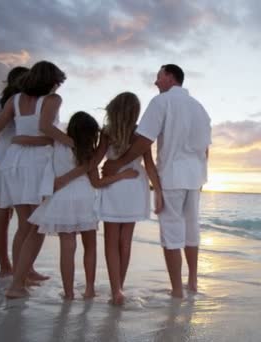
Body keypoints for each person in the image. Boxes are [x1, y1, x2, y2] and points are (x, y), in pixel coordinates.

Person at [103, 65, 211, 299]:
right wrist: (202, 176)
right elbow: (205, 148)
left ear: (170, 78)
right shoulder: (199, 107)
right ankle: (192, 281)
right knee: (191, 230)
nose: (156, 82)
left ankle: (177, 291)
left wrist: (118, 162)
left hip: (172, 175)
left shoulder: (161, 102)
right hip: (195, 177)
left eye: (159, 76)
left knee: (172, 232)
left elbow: (143, 141)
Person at [28, 111, 140, 300]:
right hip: (85, 198)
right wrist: (123, 175)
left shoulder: (57, 145)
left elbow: (43, 136)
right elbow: (96, 183)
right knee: (90, 247)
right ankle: (89, 289)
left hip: (61, 200)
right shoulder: (87, 153)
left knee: (67, 247)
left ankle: (69, 293)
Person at [0, 60, 72, 299]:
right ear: (51, 81)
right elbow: (46, 127)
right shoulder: (52, 100)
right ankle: (16, 285)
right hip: (37, 164)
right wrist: (71, 142)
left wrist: (20, 138)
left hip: (13, 162)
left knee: (26, 224)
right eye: (57, 83)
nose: (58, 88)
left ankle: (20, 277)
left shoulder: (15, 100)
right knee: (37, 225)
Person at [97, 92, 163, 305]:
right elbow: (150, 165)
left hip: (114, 185)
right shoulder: (139, 134)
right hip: (135, 184)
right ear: (135, 111)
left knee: (111, 242)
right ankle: (120, 289)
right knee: (125, 241)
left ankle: (115, 289)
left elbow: (97, 160)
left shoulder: (107, 132)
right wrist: (159, 192)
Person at [0, 66, 28, 278]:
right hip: (14, 158)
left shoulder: (2, 103)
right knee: (16, 215)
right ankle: (8, 267)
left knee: (12, 214)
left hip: (8, 157)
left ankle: (13, 267)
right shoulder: (9, 103)